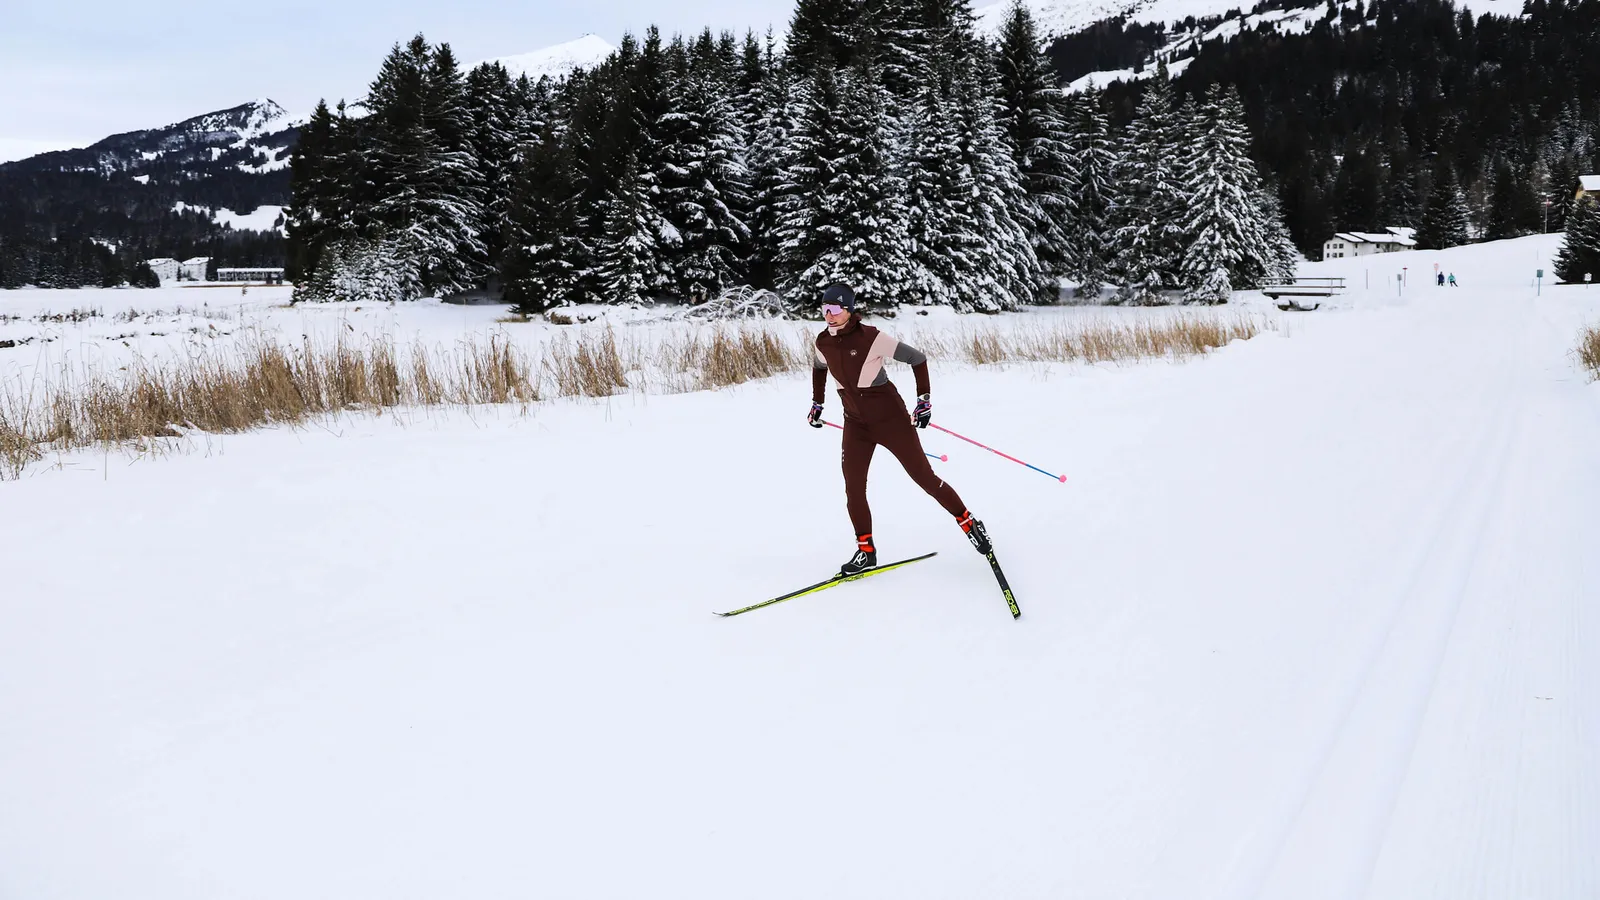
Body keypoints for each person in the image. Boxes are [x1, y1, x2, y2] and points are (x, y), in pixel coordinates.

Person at [807, 282, 992, 576]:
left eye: (834, 309)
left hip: (890, 420)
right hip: (855, 424)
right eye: (824, 309)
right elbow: (819, 368)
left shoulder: (872, 337)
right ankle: (865, 550)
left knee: (924, 478)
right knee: (854, 488)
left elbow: (917, 359)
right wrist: (817, 403)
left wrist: (924, 401)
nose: (828, 315)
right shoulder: (822, 342)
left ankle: (968, 521)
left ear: (849, 310)